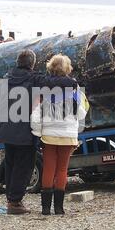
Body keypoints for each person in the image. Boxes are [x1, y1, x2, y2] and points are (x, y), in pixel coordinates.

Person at [0, 50, 77, 215]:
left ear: (18, 62)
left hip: (6, 129)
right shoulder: (34, 78)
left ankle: (11, 199)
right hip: (24, 131)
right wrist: (72, 81)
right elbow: (60, 84)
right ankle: (15, 202)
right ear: (32, 63)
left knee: (10, 163)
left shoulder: (7, 76)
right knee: (24, 166)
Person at [31, 54, 89, 215]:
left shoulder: (44, 87)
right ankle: (59, 208)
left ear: (51, 67)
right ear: (67, 68)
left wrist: (37, 130)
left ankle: (45, 209)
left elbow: (36, 111)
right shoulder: (74, 86)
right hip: (68, 133)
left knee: (48, 168)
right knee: (62, 169)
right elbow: (81, 112)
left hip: (49, 133)